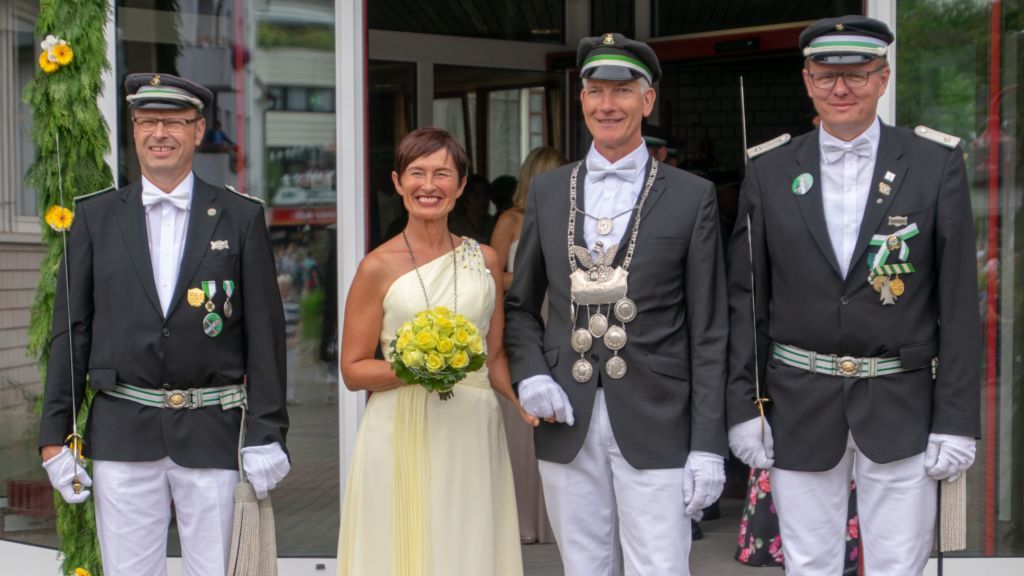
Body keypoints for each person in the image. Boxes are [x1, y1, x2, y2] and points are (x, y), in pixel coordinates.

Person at [727, 16, 979, 575]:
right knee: (809, 564)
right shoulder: (768, 171)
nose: (841, 89)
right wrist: (746, 406)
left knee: (897, 565)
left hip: (901, 401)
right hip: (798, 403)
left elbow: (960, 304)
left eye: (858, 75)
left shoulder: (935, 165)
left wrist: (957, 419)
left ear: (883, 78)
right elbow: (745, 300)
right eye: (826, 75)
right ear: (807, 80)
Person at [38, 72, 290, 576]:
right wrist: (55, 436)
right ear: (133, 130)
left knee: (218, 570)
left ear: (198, 131)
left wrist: (268, 431)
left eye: (174, 122)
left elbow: (265, 334)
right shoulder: (95, 217)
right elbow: (72, 332)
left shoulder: (239, 217)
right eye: (148, 120)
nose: (160, 133)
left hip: (213, 431)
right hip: (123, 430)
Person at [505, 33, 729, 575]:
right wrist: (530, 375)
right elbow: (518, 306)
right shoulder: (549, 191)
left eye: (623, 91)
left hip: (659, 419)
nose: (608, 104)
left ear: (647, 100)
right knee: (584, 567)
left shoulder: (692, 194)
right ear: (581, 99)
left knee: (659, 567)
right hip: (567, 413)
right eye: (595, 90)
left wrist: (708, 443)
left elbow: (709, 329)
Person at [337, 127, 535, 576]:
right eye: (417, 173)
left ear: (461, 185)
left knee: (467, 541)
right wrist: (419, 366)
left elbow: (495, 353)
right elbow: (352, 370)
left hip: (473, 424)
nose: (429, 185)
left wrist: (523, 401)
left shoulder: (485, 259)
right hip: (401, 423)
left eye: (442, 174)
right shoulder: (376, 266)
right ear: (397, 182)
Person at [489, 145, 567, 545]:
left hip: (562, 313)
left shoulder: (570, 215)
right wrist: (528, 275)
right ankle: (523, 518)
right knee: (521, 421)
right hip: (525, 310)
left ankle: (556, 518)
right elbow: (491, 274)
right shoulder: (511, 219)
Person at [491, 146, 568, 291]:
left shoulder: (567, 218)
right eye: (560, 178)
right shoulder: (510, 220)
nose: (566, 184)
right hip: (524, 308)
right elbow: (491, 280)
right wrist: (536, 277)